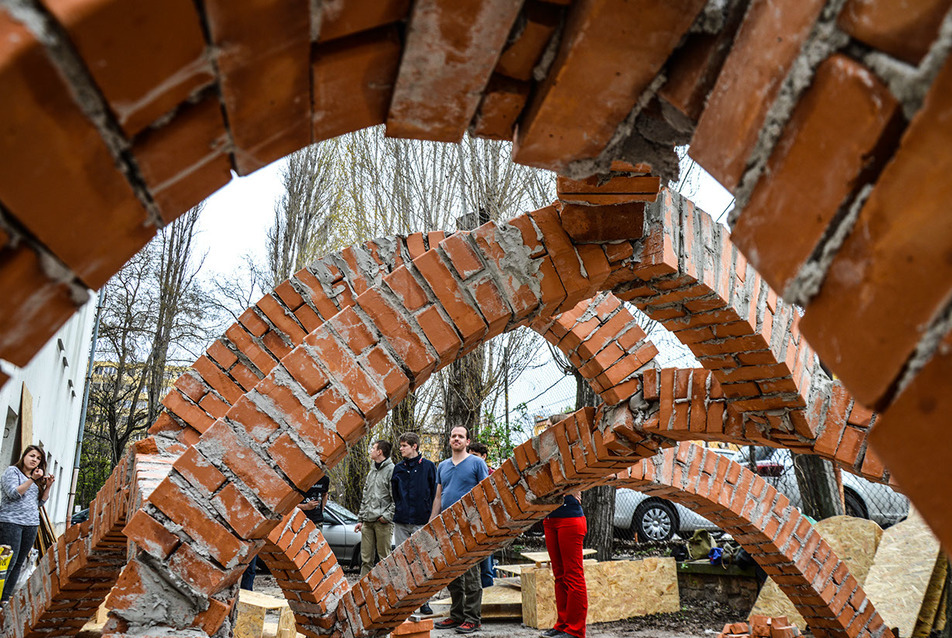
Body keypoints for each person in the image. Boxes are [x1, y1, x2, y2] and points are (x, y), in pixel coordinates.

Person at [431, 426, 489, 634]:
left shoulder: (477, 463)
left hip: (470, 526)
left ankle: (473, 618)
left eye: (461, 437)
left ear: (467, 441)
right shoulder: (443, 466)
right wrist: (432, 522)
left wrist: (481, 522)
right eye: (454, 436)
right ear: (449, 440)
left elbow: (485, 493)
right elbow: (439, 496)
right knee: (453, 573)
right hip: (447, 526)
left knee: (472, 573)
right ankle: (456, 616)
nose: (457, 439)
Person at [0, 446, 53, 603]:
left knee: (19, 562)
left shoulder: (35, 480)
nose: (34, 460)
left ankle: (5, 597)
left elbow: (40, 502)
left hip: (31, 524)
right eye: (32, 456)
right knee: (7, 560)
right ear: (24, 456)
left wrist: (48, 486)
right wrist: (31, 480)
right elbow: (13, 493)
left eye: (38, 458)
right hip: (11, 522)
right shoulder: (12, 472)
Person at [392, 432, 437, 614]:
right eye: (401, 445)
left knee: (422, 561)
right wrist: (401, 507)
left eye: (404, 446)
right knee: (403, 561)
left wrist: (429, 514)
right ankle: (404, 601)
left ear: (414, 446)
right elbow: (395, 493)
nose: (401, 448)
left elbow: (434, 491)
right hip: (402, 520)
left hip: (421, 520)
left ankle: (424, 601)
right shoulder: (398, 468)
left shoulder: (428, 466)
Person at [541, 491, 587, 638]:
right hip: (549, 519)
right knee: (559, 576)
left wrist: (573, 488)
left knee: (573, 576)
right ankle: (562, 625)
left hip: (570, 519)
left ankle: (576, 630)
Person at [355, 440, 395, 577]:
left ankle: (386, 590)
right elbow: (366, 496)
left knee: (385, 559)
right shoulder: (372, 470)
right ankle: (363, 594)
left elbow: (396, 498)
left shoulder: (392, 470)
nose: (370, 450)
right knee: (366, 560)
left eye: (373, 448)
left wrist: (386, 517)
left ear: (380, 452)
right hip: (367, 522)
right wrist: (360, 519)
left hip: (382, 523)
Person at [467, 441, 495, 587]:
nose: (471, 459)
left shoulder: (493, 475)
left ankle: (489, 597)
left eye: (475, 456)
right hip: (469, 521)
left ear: (483, 457)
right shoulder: (467, 473)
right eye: (469, 455)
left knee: (487, 565)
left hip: (486, 524)